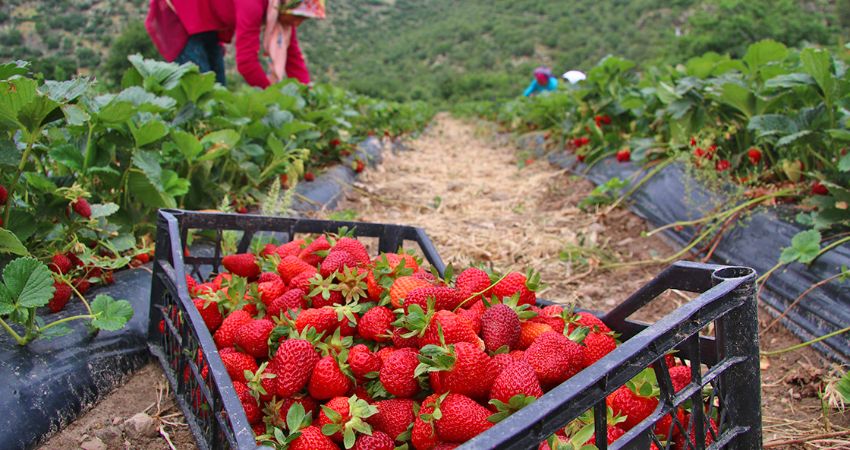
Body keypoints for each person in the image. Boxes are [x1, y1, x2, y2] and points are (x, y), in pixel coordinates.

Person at [145, 0, 324, 88]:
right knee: (202, 93)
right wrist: (275, 95)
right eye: (299, 16)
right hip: (179, 14)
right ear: (288, 7)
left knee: (219, 89)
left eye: (304, 19)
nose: (298, 23)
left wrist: (305, 93)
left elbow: (294, 58)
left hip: (206, 23)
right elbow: (246, 63)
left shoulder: (279, 11)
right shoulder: (253, 5)